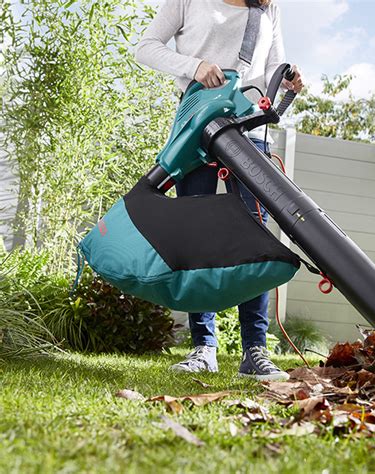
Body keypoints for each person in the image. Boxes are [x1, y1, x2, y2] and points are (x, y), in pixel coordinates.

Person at [135, 0, 304, 381]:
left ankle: (255, 351)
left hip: (247, 129)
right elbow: (145, 46)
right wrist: (194, 66)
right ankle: (203, 347)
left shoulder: (267, 9)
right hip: (195, 126)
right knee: (198, 236)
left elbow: (275, 66)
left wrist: (289, 78)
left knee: (253, 237)